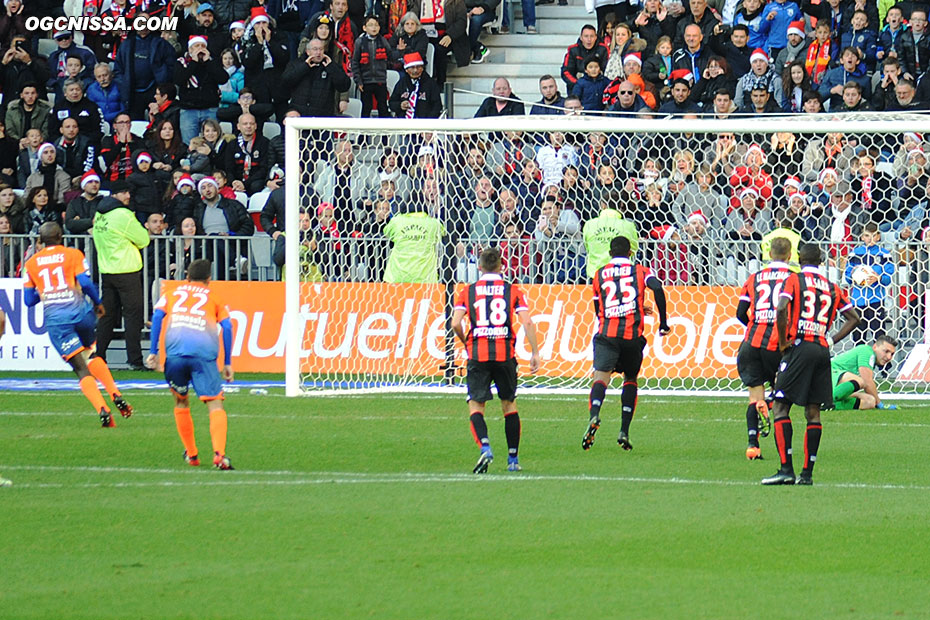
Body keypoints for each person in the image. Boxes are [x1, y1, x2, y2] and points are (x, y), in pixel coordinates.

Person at [763, 243, 859, 486]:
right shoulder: (831, 287)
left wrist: (784, 341)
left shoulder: (794, 281)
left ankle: (786, 469)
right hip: (821, 350)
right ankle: (807, 475)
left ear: (798, 258)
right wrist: (831, 339)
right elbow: (854, 318)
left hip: (800, 347)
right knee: (813, 412)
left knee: (780, 406)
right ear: (821, 261)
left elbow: (782, 307)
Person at [22, 222, 133, 427]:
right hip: (81, 314)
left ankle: (102, 409)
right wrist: (98, 303)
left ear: (40, 240)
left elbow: (28, 301)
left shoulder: (32, 263)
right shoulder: (73, 254)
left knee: (80, 368)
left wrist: (47, 290)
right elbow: (86, 283)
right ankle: (115, 393)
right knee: (91, 353)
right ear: (60, 236)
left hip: (58, 321)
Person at [451, 247, 540, 473]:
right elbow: (528, 323)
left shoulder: (467, 291)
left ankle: (485, 446)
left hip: (478, 353)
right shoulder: (513, 290)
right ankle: (513, 460)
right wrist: (534, 352)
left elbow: (454, 323)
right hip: (504, 354)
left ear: (479, 267)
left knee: (476, 405)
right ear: (501, 266)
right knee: (509, 405)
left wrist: (465, 341)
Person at [583, 235, 670, 452]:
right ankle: (624, 431)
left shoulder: (599, 274)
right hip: (632, 337)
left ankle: (594, 414)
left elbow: (599, 308)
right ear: (630, 253)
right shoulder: (640, 271)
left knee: (600, 376)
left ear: (610, 253)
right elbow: (657, 287)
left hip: (607, 335)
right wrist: (663, 322)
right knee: (630, 379)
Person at [146, 258, 235, 470]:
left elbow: (157, 317)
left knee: (181, 402)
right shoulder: (214, 297)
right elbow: (228, 326)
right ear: (209, 279)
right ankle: (219, 455)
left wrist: (153, 352)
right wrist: (228, 362)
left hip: (175, 356)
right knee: (215, 404)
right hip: (203, 355)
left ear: (187, 277)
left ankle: (192, 454)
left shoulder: (171, 294)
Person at [735, 237, 793, 461]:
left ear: (769, 254)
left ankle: (753, 445)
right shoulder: (793, 279)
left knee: (753, 395)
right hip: (778, 345)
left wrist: (754, 324)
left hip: (751, 343)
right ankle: (768, 405)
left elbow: (740, 312)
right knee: (784, 392)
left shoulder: (755, 277)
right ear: (790, 256)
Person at [92, 181, 151, 370]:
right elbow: (143, 239)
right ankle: (134, 360)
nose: (128, 196)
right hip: (127, 270)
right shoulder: (123, 215)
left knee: (107, 316)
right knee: (133, 316)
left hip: (107, 270)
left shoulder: (100, 214)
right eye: (125, 193)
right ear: (116, 195)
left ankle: (98, 357)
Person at [829, 335, 898, 411]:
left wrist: (876, 402)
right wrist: (880, 405)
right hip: (827, 372)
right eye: (886, 351)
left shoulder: (871, 359)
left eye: (892, 354)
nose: (889, 357)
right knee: (861, 381)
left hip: (835, 385)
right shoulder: (867, 351)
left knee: (870, 401)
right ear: (875, 347)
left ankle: (833, 406)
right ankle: (827, 401)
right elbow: (867, 381)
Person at [383, 203, 445, 283]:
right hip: (426, 277)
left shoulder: (397, 221)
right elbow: (444, 233)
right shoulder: (433, 223)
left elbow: (386, 232)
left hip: (397, 276)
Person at [582, 189, 638, 279]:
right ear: (621, 205)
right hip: (621, 273)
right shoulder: (628, 225)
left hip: (596, 274)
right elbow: (634, 248)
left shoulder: (589, 224)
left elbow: (587, 247)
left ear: (602, 205)